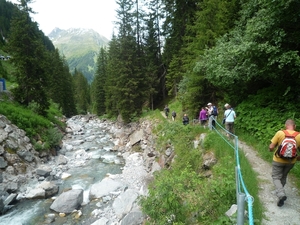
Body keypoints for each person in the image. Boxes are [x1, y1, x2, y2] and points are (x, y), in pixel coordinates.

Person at [269, 119, 300, 207]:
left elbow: (271, 146)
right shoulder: (299, 136)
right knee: (284, 176)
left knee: (276, 177)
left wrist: (270, 149)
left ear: (286, 125)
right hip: (291, 161)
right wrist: (297, 158)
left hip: (278, 160)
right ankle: (279, 193)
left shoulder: (280, 133)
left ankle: (281, 193)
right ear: (295, 126)